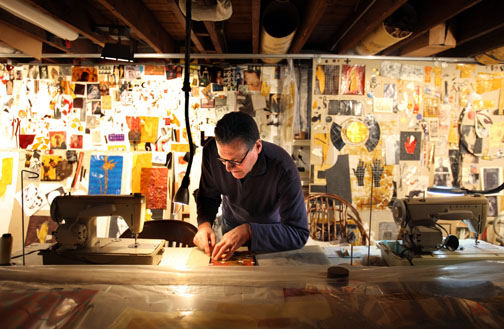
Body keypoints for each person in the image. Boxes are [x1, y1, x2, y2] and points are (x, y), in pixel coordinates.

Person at [194, 112, 309, 261]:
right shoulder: (211, 152)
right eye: (223, 160)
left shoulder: (282, 167)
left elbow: (298, 233)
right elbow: (208, 195)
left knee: (265, 279)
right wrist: (204, 224)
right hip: (231, 225)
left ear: (258, 146)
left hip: (270, 230)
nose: (228, 168)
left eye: (236, 161)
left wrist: (250, 231)